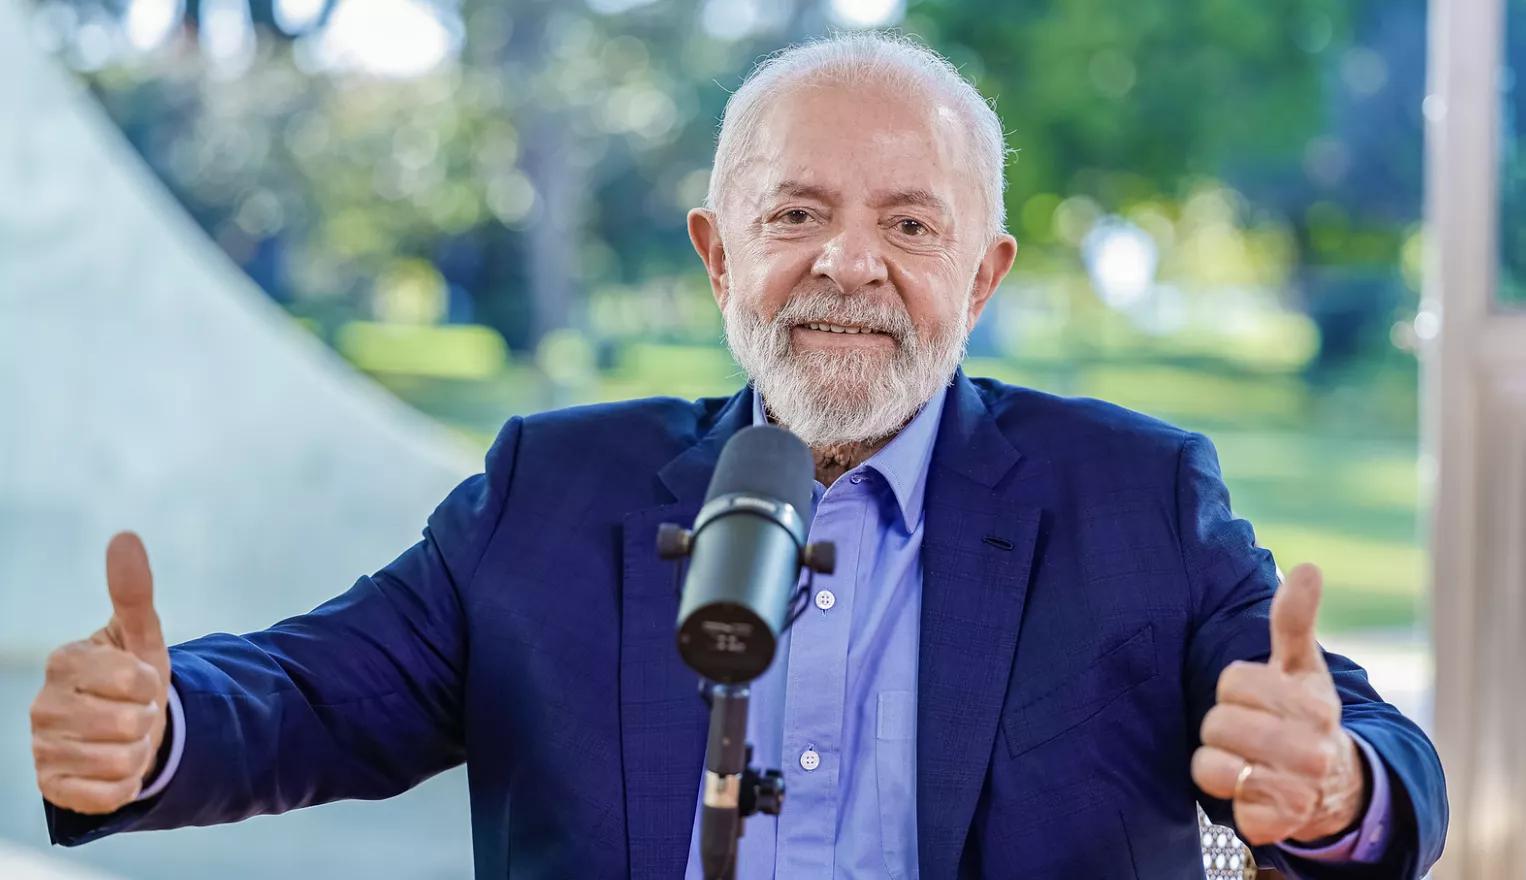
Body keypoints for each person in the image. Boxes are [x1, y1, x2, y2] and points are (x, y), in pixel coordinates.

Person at [29, 32, 1446, 879]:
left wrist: (1331, 793)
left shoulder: (1134, 498)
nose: (848, 262)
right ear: (718, 256)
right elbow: (314, 691)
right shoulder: (547, 492)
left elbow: (1381, 760)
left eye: (908, 223)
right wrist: (159, 730)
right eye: (794, 215)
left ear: (984, 271)